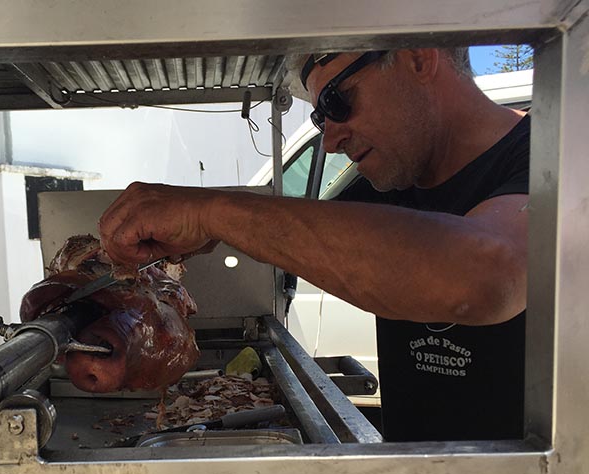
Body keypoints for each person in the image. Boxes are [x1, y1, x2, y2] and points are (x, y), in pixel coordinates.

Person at [98, 48, 529, 442]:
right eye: (321, 119)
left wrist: (210, 212)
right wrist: (197, 239)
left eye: (336, 103)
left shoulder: (554, 157)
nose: (330, 138)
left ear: (417, 57)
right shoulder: (388, 185)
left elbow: (486, 277)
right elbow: (298, 238)